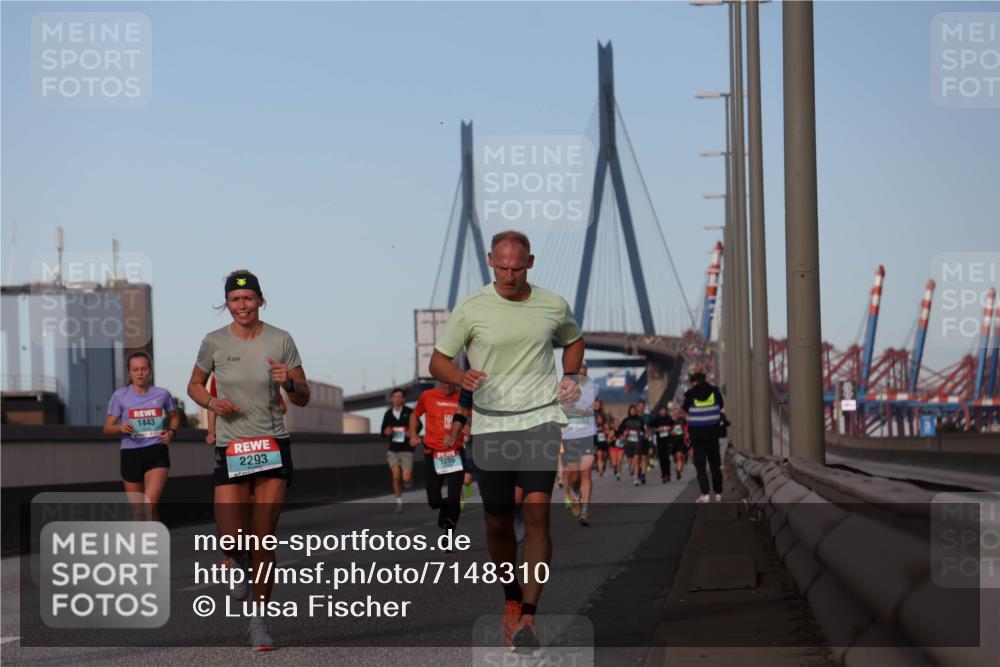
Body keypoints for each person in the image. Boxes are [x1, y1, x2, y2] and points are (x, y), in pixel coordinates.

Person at [430, 230, 584, 652]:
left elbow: (573, 341)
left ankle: (530, 616)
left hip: (539, 421)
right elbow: (438, 360)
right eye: (502, 268)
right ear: (490, 262)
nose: (509, 276)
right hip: (492, 425)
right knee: (498, 519)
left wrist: (571, 376)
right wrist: (459, 377)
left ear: (530, 263)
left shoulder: (553, 304)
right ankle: (511, 597)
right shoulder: (472, 308)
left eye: (517, 268)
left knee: (537, 514)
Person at [187, 269, 310, 651]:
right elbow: (193, 385)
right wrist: (211, 402)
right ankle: (236, 563)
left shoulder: (281, 340)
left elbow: (304, 395)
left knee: (263, 538)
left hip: (272, 445)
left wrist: (288, 381)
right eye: (235, 300)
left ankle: (259, 622)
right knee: (231, 536)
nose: (242, 306)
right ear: (227, 304)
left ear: (260, 300)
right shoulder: (214, 342)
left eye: (248, 298)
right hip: (231, 449)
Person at [103, 351, 180, 521]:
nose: (139, 373)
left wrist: (171, 432)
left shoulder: (162, 394)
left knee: (150, 503)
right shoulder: (120, 396)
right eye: (135, 369)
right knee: (138, 512)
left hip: (156, 450)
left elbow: (174, 417)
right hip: (131, 453)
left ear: (150, 371)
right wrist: (120, 428)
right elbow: (107, 428)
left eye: (143, 369)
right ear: (129, 372)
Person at [410, 382, 463, 532]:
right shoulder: (427, 396)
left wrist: (468, 429)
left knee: (454, 498)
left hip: (455, 452)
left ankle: (449, 531)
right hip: (433, 452)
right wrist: (413, 434)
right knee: (434, 501)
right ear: (439, 380)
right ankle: (443, 506)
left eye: (450, 383)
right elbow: (415, 415)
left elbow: (473, 417)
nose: (448, 386)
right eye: (445, 383)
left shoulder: (462, 397)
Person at [561, 363, 597, 526]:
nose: (582, 371)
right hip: (571, 436)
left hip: (588, 434)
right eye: (579, 369)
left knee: (586, 474)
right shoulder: (564, 387)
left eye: (584, 368)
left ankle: (585, 511)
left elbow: (581, 406)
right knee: (574, 477)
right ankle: (575, 492)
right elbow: (565, 405)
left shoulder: (593, 387)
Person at [681, 371, 724, 503]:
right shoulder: (715, 391)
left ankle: (705, 494)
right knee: (715, 464)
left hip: (697, 434)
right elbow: (721, 405)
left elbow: (686, 408)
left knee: (700, 464)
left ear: (694, 382)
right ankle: (718, 493)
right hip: (713, 433)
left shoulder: (690, 394)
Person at [380, 388, 417, 513]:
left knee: (405, 479)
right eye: (395, 396)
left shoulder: (410, 412)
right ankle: (399, 503)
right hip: (393, 449)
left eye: (400, 396)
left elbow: (419, 426)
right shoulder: (388, 413)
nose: (397, 398)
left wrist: (411, 432)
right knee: (395, 477)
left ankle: (409, 480)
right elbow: (383, 432)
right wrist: (386, 431)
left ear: (404, 399)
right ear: (392, 399)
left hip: (407, 449)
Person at [617, 405, 646, 486]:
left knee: (636, 461)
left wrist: (640, 433)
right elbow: (620, 431)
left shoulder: (640, 420)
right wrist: (623, 435)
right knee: (630, 462)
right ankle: (631, 468)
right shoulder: (625, 421)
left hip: (637, 443)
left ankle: (636, 479)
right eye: (631, 410)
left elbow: (644, 431)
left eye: (634, 410)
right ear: (629, 411)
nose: (633, 411)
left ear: (636, 411)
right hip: (628, 443)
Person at [650, 405, 675, 483]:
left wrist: (670, 428)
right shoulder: (657, 418)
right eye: (662, 410)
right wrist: (658, 429)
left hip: (667, 440)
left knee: (667, 458)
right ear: (659, 411)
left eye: (664, 410)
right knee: (661, 458)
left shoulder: (669, 418)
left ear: (666, 411)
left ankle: (668, 474)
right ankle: (663, 474)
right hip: (660, 440)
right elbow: (652, 428)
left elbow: (673, 426)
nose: (663, 412)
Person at [671, 407, 689, 480]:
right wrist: (671, 433)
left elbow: (687, 428)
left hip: (681, 440)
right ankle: (679, 466)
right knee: (675, 457)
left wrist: (687, 434)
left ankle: (678, 471)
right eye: (675, 413)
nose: (676, 414)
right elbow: (668, 430)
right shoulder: (670, 421)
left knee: (679, 455)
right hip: (673, 441)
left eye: (677, 413)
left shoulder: (683, 420)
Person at [594, 413, 610, 477]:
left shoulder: (605, 425)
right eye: (598, 419)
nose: (599, 420)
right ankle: (600, 470)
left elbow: (608, 432)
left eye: (600, 418)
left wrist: (603, 430)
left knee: (604, 457)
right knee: (599, 456)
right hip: (598, 443)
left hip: (604, 443)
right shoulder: (595, 425)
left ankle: (604, 465)